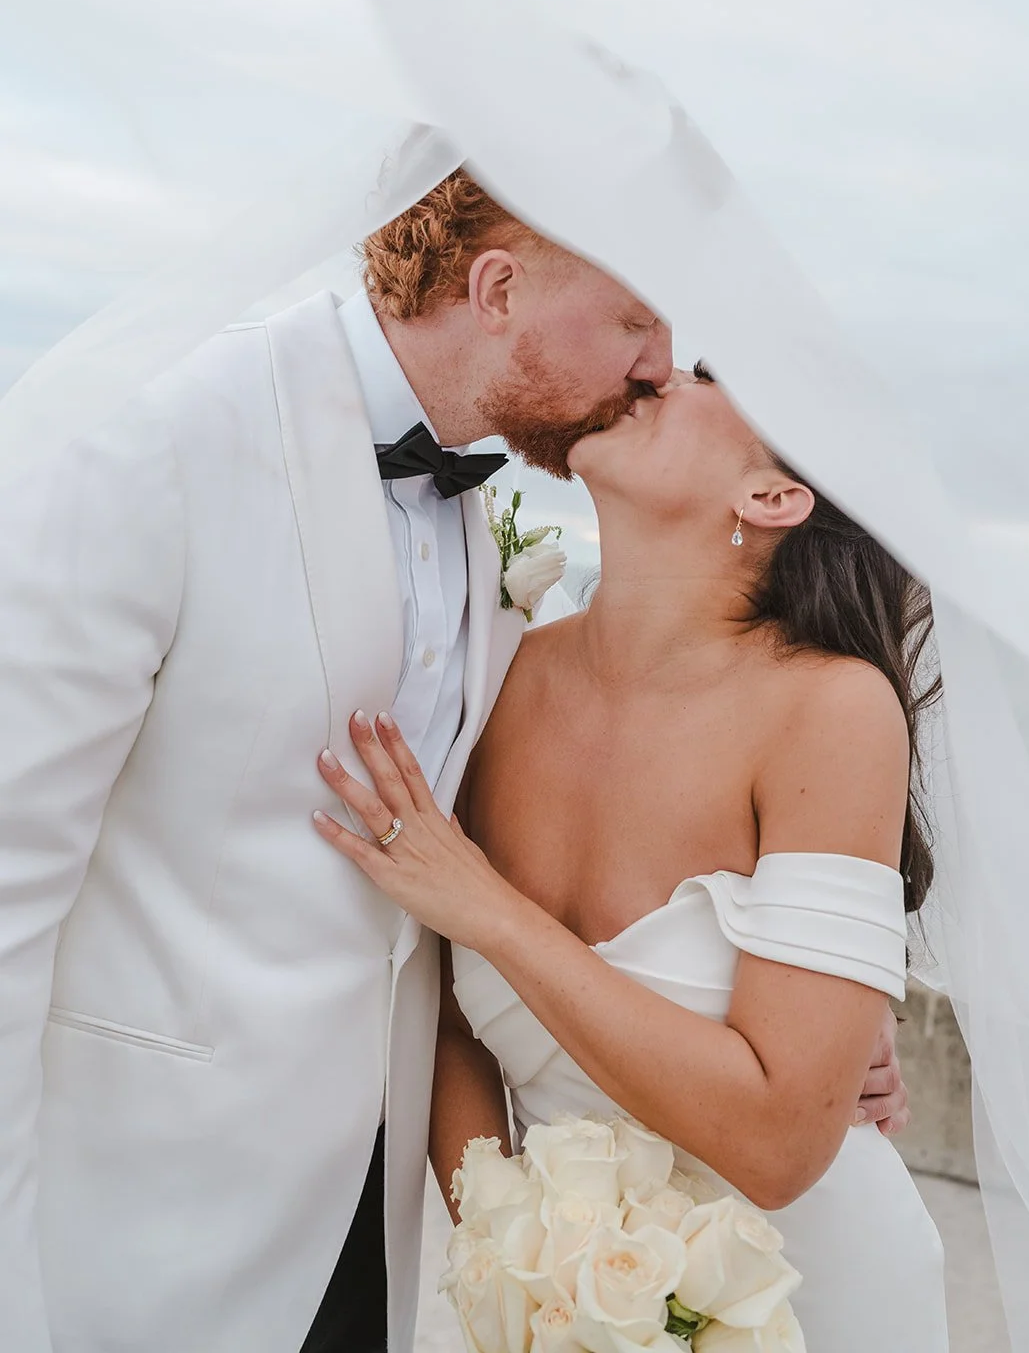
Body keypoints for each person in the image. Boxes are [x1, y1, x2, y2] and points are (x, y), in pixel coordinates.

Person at [0, 161, 905, 1353]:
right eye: (640, 319)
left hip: (390, 1247)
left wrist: (817, 1003)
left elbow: (427, 921)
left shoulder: (482, 550)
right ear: (494, 288)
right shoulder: (160, 431)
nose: (657, 363)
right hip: (139, 1226)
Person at [314, 364, 949, 1350]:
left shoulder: (828, 707)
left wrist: (490, 910)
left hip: (811, 1296)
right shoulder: (498, 668)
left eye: (704, 375)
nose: (653, 370)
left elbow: (781, 1144)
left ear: (769, 497)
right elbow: (444, 1026)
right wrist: (522, 1263)